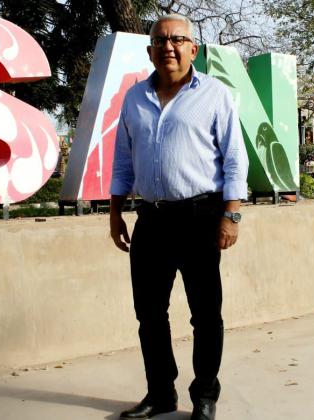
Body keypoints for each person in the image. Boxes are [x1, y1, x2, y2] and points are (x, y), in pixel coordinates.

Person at [109, 13, 248, 420]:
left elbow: (234, 160)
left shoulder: (216, 94)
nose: (168, 46)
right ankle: (160, 393)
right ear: (150, 49)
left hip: (200, 216)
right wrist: (116, 213)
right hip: (150, 219)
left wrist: (231, 216)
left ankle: (205, 394)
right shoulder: (134, 98)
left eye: (177, 39)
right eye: (160, 40)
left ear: (193, 49)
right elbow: (122, 160)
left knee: (205, 313)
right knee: (149, 312)